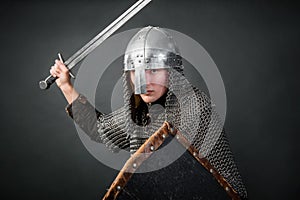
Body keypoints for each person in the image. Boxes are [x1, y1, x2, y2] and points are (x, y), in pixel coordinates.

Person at [50, 26, 247, 199]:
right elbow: (99, 129)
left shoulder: (195, 108)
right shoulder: (140, 111)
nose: (144, 82)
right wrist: (66, 86)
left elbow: (222, 185)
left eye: (153, 70)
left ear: (171, 71)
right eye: (137, 72)